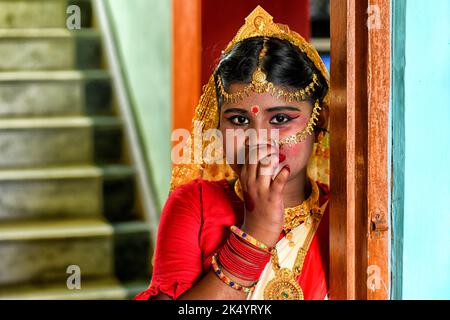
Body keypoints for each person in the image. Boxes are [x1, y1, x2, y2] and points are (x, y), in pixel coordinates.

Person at [134, 6, 330, 300]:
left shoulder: (341, 216)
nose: (258, 140)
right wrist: (255, 237)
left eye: (280, 119)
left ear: (320, 123)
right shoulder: (194, 206)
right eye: (239, 120)